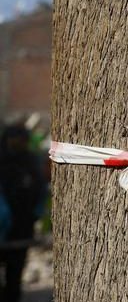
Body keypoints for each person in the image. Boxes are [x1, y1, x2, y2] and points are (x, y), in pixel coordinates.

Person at [0, 125, 45, 302]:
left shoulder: (30, 162)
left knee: (15, 273)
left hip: (22, 227)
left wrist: (36, 213)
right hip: (2, 226)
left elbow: (40, 189)